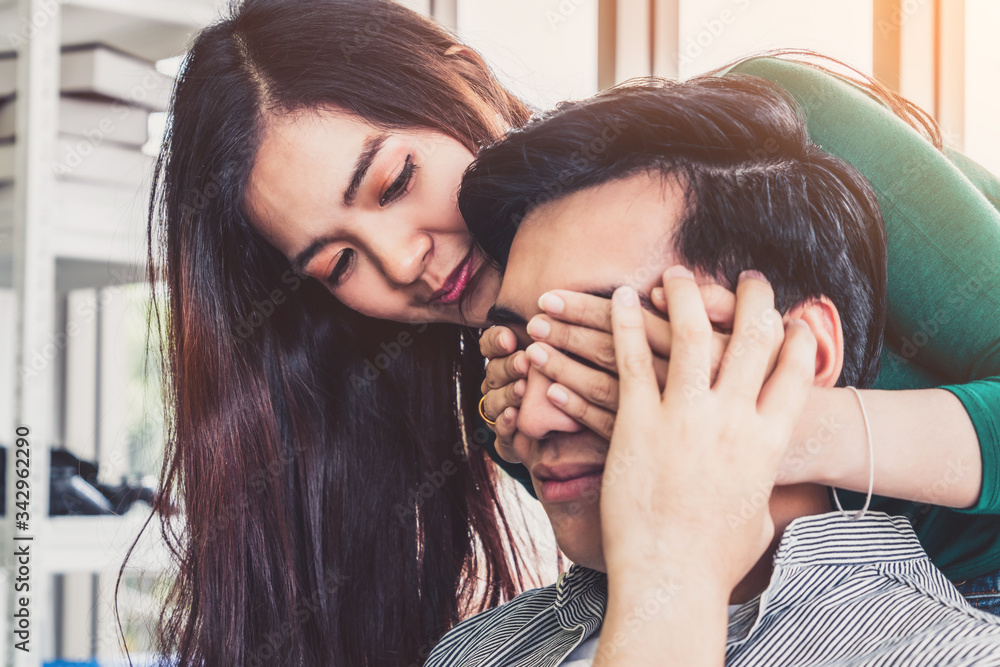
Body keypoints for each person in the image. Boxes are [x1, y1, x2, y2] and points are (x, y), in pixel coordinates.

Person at [143, 0, 1000, 664]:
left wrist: (753, 425)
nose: (401, 259)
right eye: (336, 264)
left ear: (463, 75)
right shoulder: (515, 401)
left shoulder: (768, 135)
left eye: (397, 179)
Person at [427, 76, 1000, 667]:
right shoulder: (474, 650)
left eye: (604, 344)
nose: (536, 418)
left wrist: (677, 574)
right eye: (517, 353)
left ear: (806, 354)